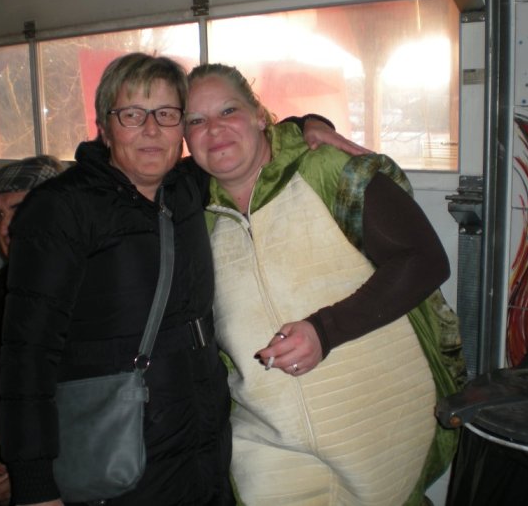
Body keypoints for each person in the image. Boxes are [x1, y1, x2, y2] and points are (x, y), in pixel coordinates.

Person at [0, 53, 359, 506]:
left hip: (206, 442)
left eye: (166, 114)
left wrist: (309, 123)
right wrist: (34, 485)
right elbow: (27, 354)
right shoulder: (60, 209)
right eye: (132, 115)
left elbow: (248, 133)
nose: (151, 130)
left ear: (181, 130)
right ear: (104, 127)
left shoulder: (187, 186)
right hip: (122, 453)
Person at [184, 63, 460, 505]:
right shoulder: (194, 216)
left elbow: (424, 260)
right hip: (270, 442)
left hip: (378, 423)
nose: (213, 129)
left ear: (260, 116)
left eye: (228, 110)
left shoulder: (325, 170)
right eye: (196, 120)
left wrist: (324, 330)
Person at [0, 156, 63, 505]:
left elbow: (79, 403)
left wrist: (27, 472)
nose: (4, 228)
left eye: (19, 209)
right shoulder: (2, 287)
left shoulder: (85, 286)